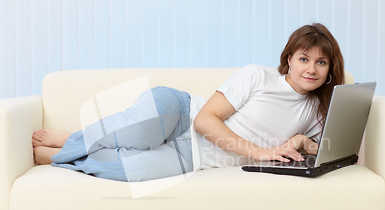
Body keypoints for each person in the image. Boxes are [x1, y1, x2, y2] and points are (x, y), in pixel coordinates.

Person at [32, 23, 344, 181]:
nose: (311, 69)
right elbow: (204, 121)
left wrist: (305, 141)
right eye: (304, 58)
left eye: (321, 63)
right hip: (181, 113)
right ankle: (74, 138)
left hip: (197, 155)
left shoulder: (317, 110)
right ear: (288, 59)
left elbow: (330, 148)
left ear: (330, 69)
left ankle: (62, 157)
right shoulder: (257, 76)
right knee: (138, 132)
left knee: (131, 171)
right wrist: (261, 152)